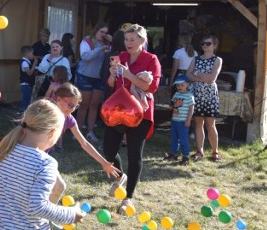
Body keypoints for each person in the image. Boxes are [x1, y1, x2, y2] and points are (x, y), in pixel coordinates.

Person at [0, 99, 85, 230]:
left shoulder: (4, 151)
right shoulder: (46, 163)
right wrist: (71, 214)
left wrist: (13, 183)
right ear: (52, 133)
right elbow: (37, 206)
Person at [105, 24, 161, 214]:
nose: (128, 43)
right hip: (119, 110)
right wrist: (113, 75)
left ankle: (128, 198)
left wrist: (128, 74)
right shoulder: (121, 56)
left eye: (132, 40)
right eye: (126, 40)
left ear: (142, 41)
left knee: (134, 153)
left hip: (141, 113)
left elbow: (151, 88)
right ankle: (121, 176)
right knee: (108, 150)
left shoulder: (151, 59)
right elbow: (111, 84)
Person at [51, 83, 121, 177]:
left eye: (75, 106)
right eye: (70, 105)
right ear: (58, 99)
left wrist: (104, 163)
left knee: (59, 187)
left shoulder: (69, 119)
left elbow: (84, 143)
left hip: (42, 156)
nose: (72, 110)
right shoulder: (46, 114)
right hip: (30, 154)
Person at [186, 35, 223, 162]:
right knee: (198, 123)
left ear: (214, 45)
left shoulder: (217, 60)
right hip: (196, 95)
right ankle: (199, 150)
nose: (205, 45)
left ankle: (215, 151)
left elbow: (212, 78)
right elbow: (188, 75)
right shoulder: (195, 59)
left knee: (210, 124)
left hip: (209, 96)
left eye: (208, 43)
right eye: (203, 43)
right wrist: (202, 77)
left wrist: (197, 74)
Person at [76, 22, 112, 143]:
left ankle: (90, 132)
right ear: (96, 31)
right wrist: (99, 49)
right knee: (84, 104)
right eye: (101, 32)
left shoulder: (107, 43)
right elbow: (85, 57)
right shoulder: (86, 41)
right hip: (85, 76)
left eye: (106, 33)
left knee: (94, 105)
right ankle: (78, 131)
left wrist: (113, 42)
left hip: (99, 77)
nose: (103, 35)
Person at [165, 75, 195, 165]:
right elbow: (175, 105)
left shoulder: (190, 96)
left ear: (187, 84)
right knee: (174, 138)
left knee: (183, 139)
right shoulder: (176, 94)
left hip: (183, 121)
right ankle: (174, 154)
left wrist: (188, 120)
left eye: (182, 85)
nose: (179, 87)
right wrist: (171, 107)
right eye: (178, 85)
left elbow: (191, 108)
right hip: (175, 120)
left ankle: (185, 156)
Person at [19, 45, 38, 114]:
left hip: (28, 84)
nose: (33, 55)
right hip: (25, 84)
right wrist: (34, 65)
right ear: (27, 54)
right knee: (26, 101)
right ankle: (21, 114)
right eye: (32, 53)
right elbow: (29, 73)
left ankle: (24, 114)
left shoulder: (28, 61)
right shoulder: (24, 62)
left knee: (28, 100)